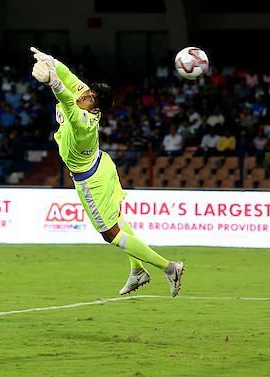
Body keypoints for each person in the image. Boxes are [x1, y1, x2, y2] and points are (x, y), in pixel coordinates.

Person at [29, 46, 184, 297]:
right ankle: (138, 270)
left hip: (91, 181)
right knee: (119, 218)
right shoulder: (86, 96)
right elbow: (69, 78)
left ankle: (169, 268)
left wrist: (53, 82)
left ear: (95, 109)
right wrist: (51, 61)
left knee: (111, 234)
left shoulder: (85, 124)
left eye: (89, 97)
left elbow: (66, 101)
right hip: (103, 163)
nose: (84, 95)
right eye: (87, 92)